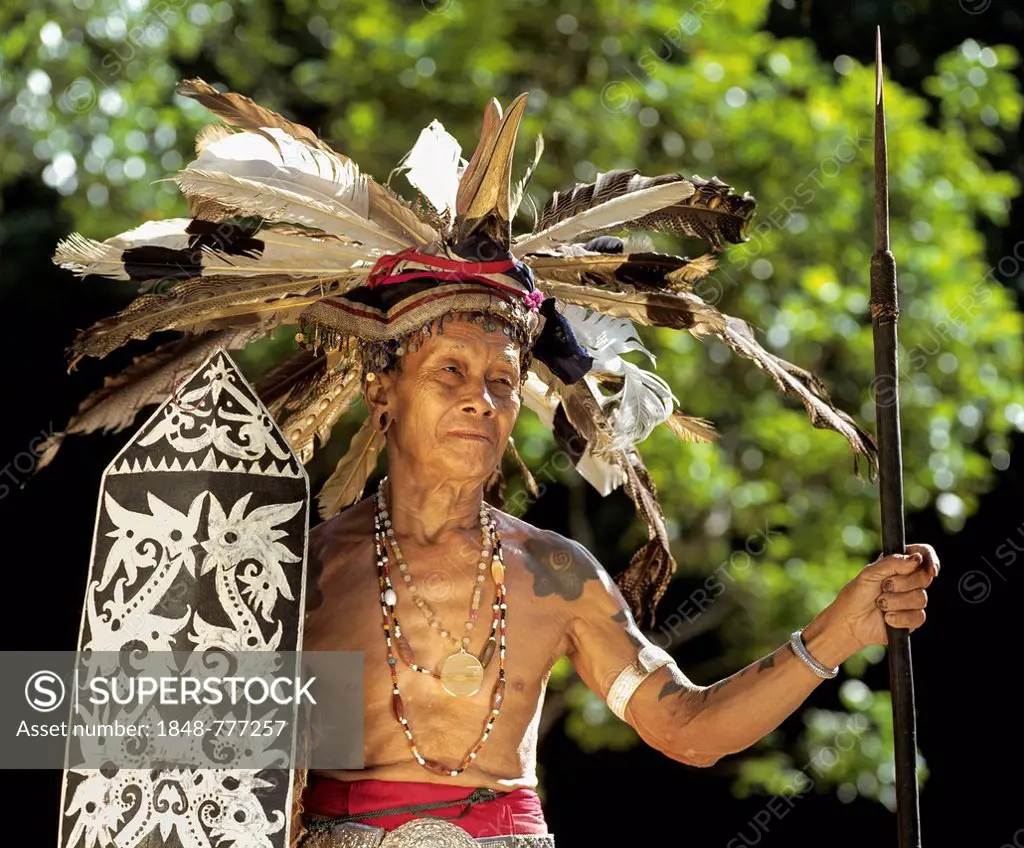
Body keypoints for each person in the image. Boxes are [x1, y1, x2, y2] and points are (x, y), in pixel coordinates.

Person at [48, 82, 937, 848]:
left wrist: (838, 634)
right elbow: (168, 771)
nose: (483, 400)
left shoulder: (554, 575)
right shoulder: (294, 570)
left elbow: (690, 731)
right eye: (451, 374)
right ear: (383, 388)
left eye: (503, 382)